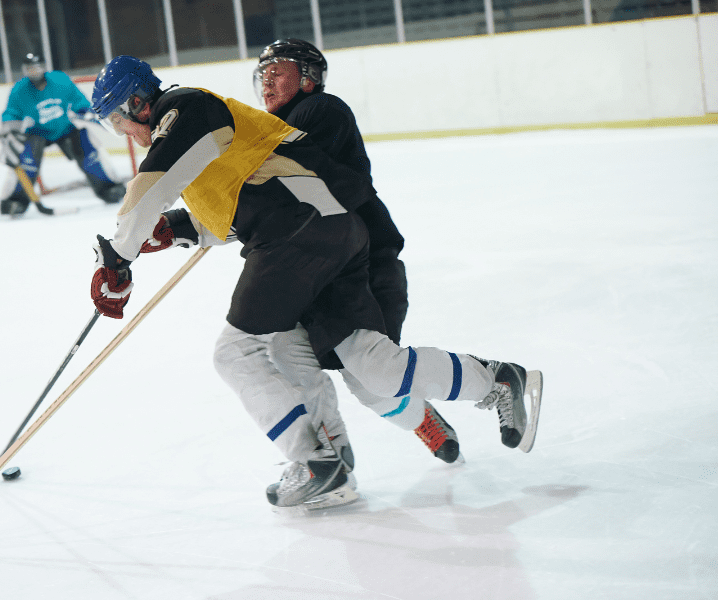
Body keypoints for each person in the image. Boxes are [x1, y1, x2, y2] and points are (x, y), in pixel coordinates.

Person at [87, 55, 542, 509]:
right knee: (347, 362)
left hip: (296, 232)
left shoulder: (187, 108)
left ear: (137, 102)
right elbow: (227, 217)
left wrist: (118, 257)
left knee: (237, 351)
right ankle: (493, 382)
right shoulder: (203, 130)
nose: (123, 132)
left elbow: (156, 180)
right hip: (328, 231)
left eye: (116, 119)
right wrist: (177, 230)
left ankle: (316, 462)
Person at [251, 38, 471, 467]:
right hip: (322, 272)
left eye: (279, 70)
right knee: (305, 360)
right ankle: (328, 454)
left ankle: (444, 404)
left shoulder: (320, 110)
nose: (268, 79)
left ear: (309, 80)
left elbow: (289, 181)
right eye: (264, 72)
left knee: (370, 379)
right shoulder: (276, 132)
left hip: (365, 267)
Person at [0, 53, 126, 215]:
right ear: (24, 71)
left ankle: (110, 188)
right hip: (37, 133)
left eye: (37, 67)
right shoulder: (19, 90)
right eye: (29, 69)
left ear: (44, 67)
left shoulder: (60, 80)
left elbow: (79, 100)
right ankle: (13, 201)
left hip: (64, 128)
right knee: (25, 161)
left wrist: (87, 111)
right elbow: (12, 113)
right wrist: (9, 131)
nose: (34, 72)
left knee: (89, 150)